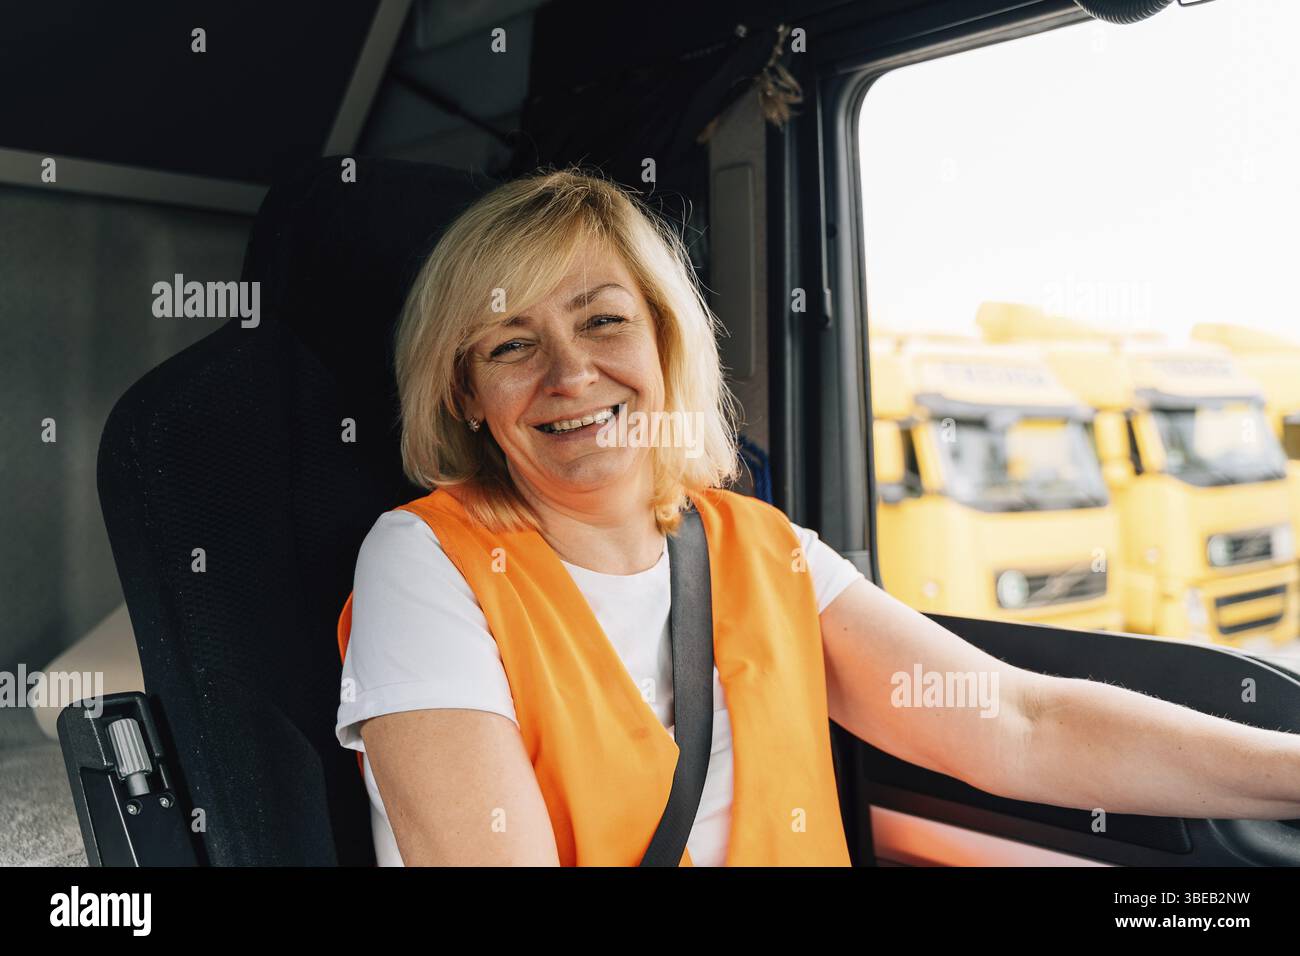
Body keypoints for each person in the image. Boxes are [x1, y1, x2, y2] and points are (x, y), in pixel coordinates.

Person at [336, 166, 1300, 866]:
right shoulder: (425, 561)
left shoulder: (762, 550)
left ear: (666, 341)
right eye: (511, 344)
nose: (570, 373)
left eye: (602, 319)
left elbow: (1017, 720)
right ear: (465, 395)